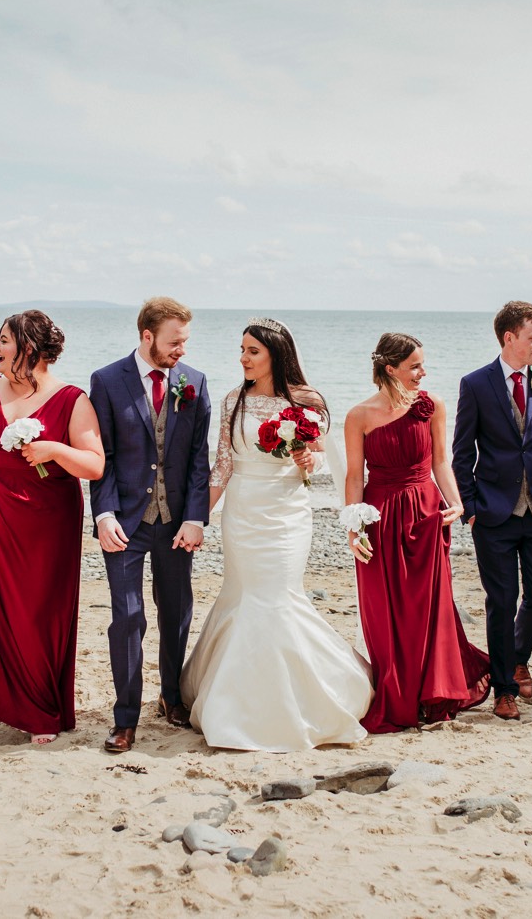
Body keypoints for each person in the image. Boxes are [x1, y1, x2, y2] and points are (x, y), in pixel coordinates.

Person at [179, 317, 371, 751]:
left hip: (286, 513)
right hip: (243, 510)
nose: (243, 358)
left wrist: (308, 460)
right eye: (242, 350)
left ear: (275, 355)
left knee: (278, 596)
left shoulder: (308, 400)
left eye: (252, 351)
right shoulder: (233, 401)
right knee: (242, 595)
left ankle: (303, 702)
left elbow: (321, 460)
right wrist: (197, 518)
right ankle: (234, 702)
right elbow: (223, 466)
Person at [0, 311, 104, 745]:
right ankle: (9, 698)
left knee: (37, 613)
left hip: (46, 524)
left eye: (6, 341)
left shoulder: (72, 399)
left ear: (29, 347)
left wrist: (53, 448)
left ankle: (41, 706)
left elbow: (95, 465)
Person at [345, 333, 491, 733]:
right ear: (390, 368)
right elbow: (355, 476)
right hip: (378, 518)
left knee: (429, 609)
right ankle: (398, 695)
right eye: (415, 366)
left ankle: (434, 692)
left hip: (425, 515)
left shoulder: (432, 406)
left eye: (423, 365)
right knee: (385, 611)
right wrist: (353, 530)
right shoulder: (359, 415)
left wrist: (457, 503)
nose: (423, 373)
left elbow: (441, 462)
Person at [89, 297, 212, 754]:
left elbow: (199, 460)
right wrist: (102, 515)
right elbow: (102, 458)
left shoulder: (194, 382)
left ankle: (172, 698)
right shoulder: (106, 381)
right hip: (124, 521)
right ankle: (125, 718)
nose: (181, 349)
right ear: (147, 336)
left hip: (177, 522)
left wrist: (196, 517)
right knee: (127, 618)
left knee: (176, 612)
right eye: (174, 341)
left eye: (185, 341)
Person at [452, 301, 532, 720]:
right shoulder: (476, 384)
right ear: (509, 338)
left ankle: (517, 658)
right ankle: (504, 689)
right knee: (501, 601)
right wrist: (470, 507)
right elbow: (462, 452)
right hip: (493, 513)